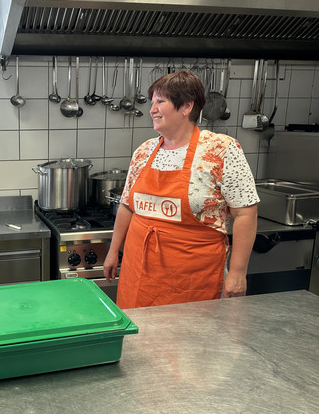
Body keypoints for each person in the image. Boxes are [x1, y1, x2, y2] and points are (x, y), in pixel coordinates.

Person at [103, 70, 259, 309]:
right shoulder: (144, 152)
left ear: (186, 106)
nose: (152, 109)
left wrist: (238, 273)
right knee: (141, 341)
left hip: (192, 279)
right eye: (152, 101)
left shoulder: (221, 150)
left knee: (192, 342)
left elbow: (245, 213)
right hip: (140, 273)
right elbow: (126, 206)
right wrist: (113, 251)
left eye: (160, 102)